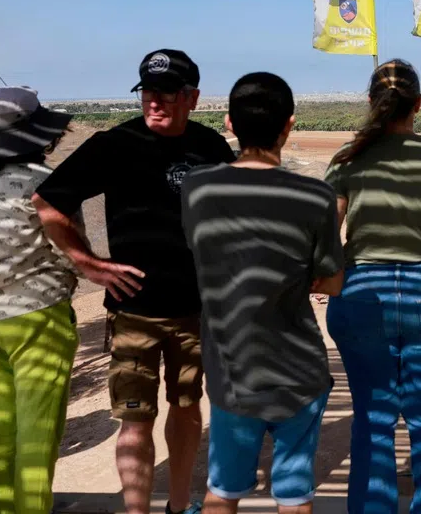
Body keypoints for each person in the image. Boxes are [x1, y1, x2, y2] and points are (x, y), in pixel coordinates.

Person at [35, 49, 235, 514]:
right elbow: (47, 203)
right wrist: (89, 264)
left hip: (194, 308)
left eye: (166, 93)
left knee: (187, 410)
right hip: (133, 314)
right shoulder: (114, 144)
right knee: (134, 420)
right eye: (147, 92)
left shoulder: (210, 148)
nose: (154, 102)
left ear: (192, 97)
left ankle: (180, 505)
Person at [182, 73, 345, 514]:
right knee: (294, 495)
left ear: (229, 124)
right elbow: (332, 281)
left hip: (234, 370)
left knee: (224, 491)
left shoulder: (198, 188)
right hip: (299, 371)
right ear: (289, 124)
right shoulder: (316, 196)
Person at [324, 59, 421, 514]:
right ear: (417, 104)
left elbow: (328, 230)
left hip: (362, 292)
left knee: (372, 418)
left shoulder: (347, 157)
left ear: (372, 102)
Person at [0, 87, 78, 514]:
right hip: (37, 317)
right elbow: (72, 253)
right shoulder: (43, 184)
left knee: (6, 437)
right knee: (37, 442)